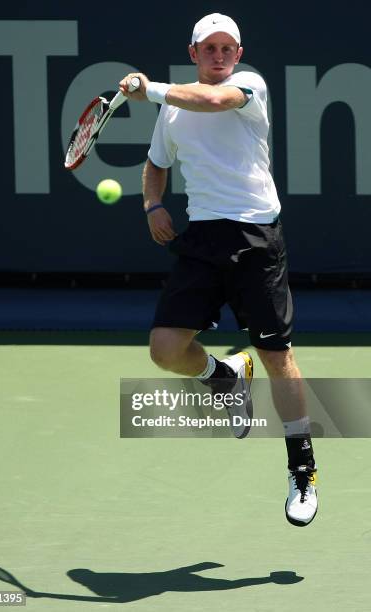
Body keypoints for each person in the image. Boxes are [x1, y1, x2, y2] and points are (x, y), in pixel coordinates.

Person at [119, 13, 317, 526]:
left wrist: (151, 87)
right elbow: (156, 161)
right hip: (203, 238)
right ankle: (225, 375)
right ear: (194, 53)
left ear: (239, 52)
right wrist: (152, 204)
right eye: (210, 48)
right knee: (165, 349)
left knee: (278, 358)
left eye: (228, 47)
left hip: (255, 237)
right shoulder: (172, 110)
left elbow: (210, 100)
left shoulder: (249, 86)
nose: (220, 55)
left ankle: (302, 468)